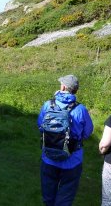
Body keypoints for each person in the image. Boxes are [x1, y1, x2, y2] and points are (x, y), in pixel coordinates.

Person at [37, 74, 94, 206]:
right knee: (65, 197)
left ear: (63, 87)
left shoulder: (48, 105)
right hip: (72, 160)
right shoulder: (81, 110)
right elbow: (87, 132)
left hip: (49, 158)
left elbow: (41, 126)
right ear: (75, 90)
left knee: (48, 196)